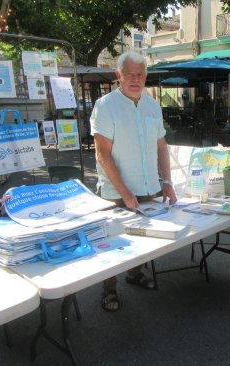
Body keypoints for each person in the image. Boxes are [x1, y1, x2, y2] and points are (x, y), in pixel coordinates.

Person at [90, 51, 177, 312]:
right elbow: (102, 154)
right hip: (116, 192)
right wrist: (125, 192)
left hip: (148, 188)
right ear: (119, 76)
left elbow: (161, 146)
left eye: (140, 75)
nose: (136, 79)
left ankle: (134, 273)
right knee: (114, 242)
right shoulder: (105, 106)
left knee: (144, 240)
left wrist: (168, 181)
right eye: (130, 75)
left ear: (146, 76)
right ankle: (109, 289)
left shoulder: (152, 106)